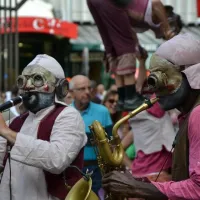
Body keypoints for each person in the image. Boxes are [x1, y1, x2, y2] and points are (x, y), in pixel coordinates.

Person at [102, 33, 200, 199]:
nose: (154, 89)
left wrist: (136, 188)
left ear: (190, 74)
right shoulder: (189, 114)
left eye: (163, 77)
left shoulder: (197, 114)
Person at [0, 54, 87, 200]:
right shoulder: (16, 123)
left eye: (37, 79)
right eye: (24, 80)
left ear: (59, 87)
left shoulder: (69, 116)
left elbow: (57, 159)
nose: (28, 86)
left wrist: (6, 132)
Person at [87, 0, 182, 111]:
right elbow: (156, 3)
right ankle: (130, 98)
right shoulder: (152, 10)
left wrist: (137, 47)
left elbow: (128, 29)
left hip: (101, 5)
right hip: (113, 3)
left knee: (113, 48)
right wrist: (167, 29)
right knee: (126, 48)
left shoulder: (143, 24)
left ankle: (123, 98)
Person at [69, 75, 113, 198]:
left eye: (89, 88)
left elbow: (110, 143)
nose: (87, 92)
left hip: (97, 170)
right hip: (73, 168)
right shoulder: (64, 113)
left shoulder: (103, 111)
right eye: (82, 89)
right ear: (71, 92)